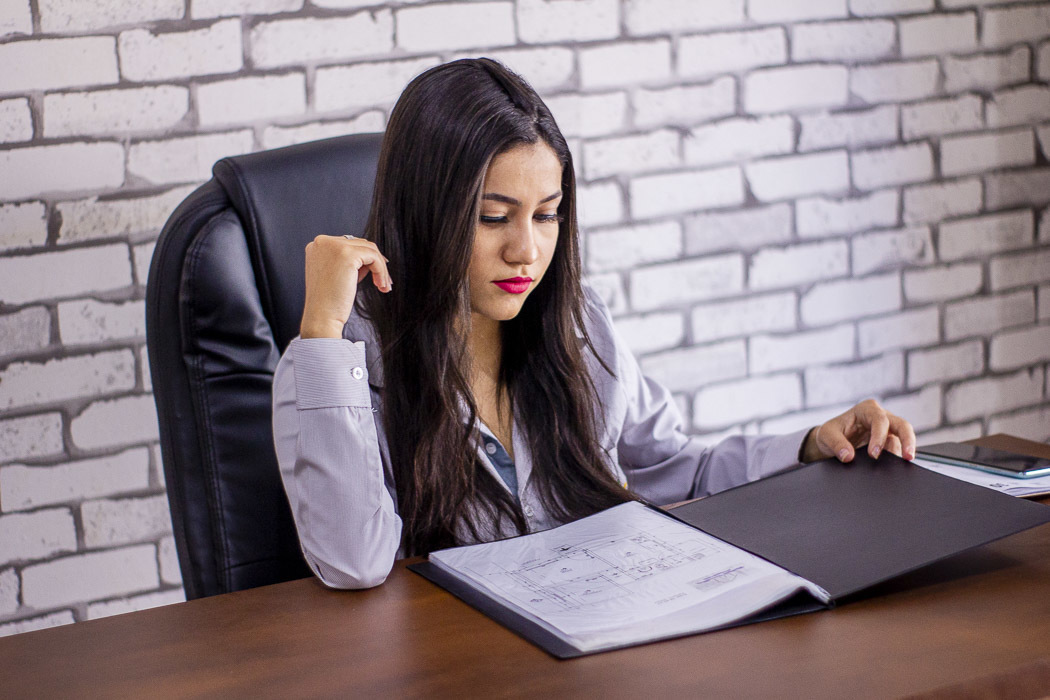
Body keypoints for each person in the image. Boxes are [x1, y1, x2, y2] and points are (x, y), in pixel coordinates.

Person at [272, 58, 917, 590]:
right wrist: (322, 332)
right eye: (494, 218)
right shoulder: (341, 362)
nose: (526, 251)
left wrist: (810, 446)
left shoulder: (580, 329)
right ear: (426, 215)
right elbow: (354, 562)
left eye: (546, 215)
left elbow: (679, 472)